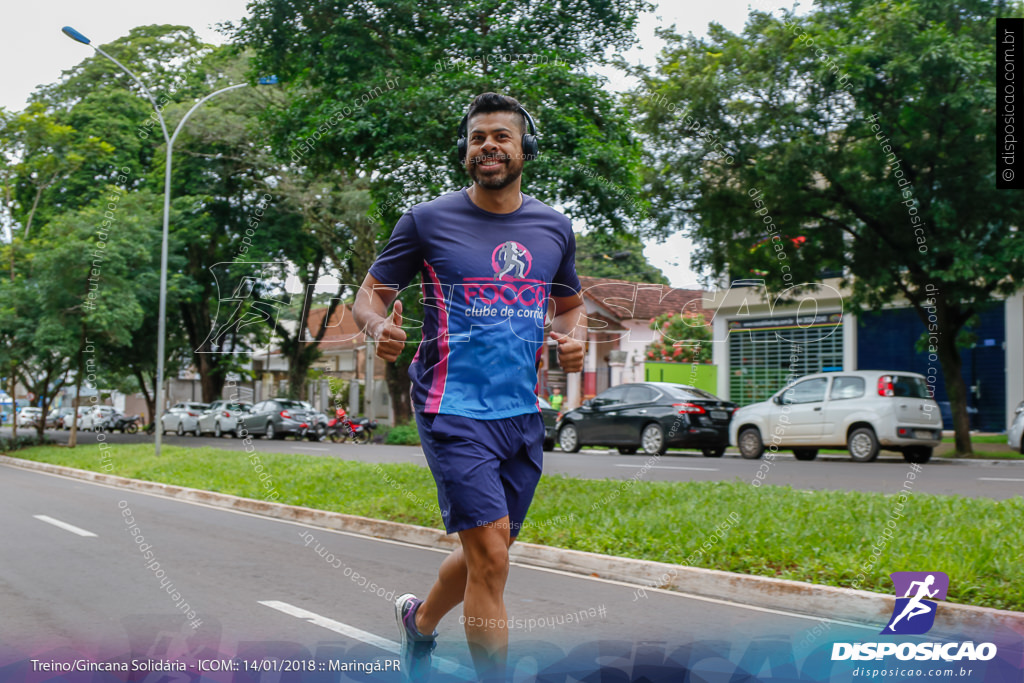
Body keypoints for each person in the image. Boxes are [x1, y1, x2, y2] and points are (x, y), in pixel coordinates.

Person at [353, 92, 585, 682]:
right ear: (465, 152)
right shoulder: (427, 221)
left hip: (521, 413)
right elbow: (370, 294)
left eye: (502, 136)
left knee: (492, 552)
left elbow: (569, 308)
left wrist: (574, 338)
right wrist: (379, 326)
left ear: (524, 150)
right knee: (492, 563)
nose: (489, 145)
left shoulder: (554, 228)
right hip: (450, 407)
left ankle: (419, 622)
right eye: (478, 136)